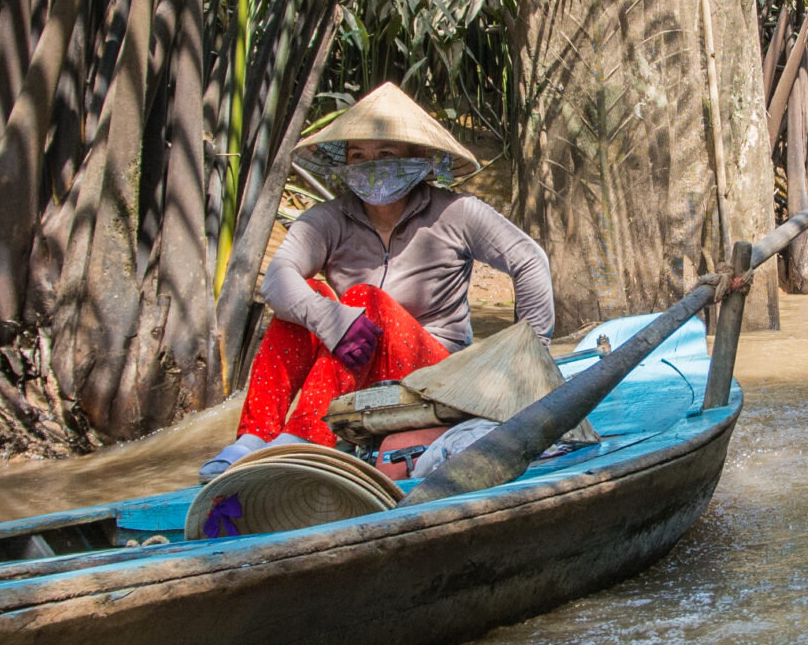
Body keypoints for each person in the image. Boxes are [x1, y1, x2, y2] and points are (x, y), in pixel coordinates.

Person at [200, 83, 553, 481]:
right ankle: (253, 438)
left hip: (439, 373)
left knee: (364, 299)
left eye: (386, 155)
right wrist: (329, 318)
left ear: (417, 158)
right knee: (308, 297)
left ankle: (304, 439)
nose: (372, 166)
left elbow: (529, 260)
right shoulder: (328, 219)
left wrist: (531, 357)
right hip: (359, 362)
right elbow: (278, 279)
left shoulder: (457, 213)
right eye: (359, 156)